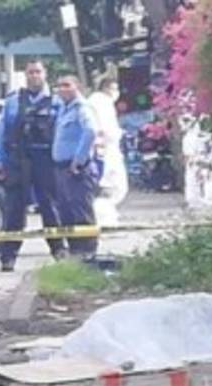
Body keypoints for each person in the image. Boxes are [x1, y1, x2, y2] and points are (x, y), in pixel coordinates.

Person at [0, 59, 66, 272]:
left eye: (38, 72)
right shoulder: (14, 101)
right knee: (14, 208)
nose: (34, 76)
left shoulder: (57, 101)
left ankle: (59, 250)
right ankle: (8, 256)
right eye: (30, 72)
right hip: (18, 159)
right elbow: (1, 131)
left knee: (50, 207)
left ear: (45, 74)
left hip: (46, 160)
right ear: (25, 75)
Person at [51, 74, 99, 259]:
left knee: (81, 211)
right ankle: (75, 251)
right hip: (61, 168)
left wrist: (78, 160)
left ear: (76, 87)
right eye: (59, 85)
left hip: (77, 169)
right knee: (66, 211)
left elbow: (91, 131)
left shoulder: (82, 108)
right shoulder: (64, 109)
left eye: (67, 85)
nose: (62, 89)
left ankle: (88, 252)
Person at [89, 76, 129, 227]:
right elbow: (107, 129)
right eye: (113, 89)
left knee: (111, 186)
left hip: (104, 148)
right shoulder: (102, 102)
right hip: (106, 149)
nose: (115, 93)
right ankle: (103, 218)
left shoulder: (96, 101)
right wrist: (118, 133)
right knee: (112, 186)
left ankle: (105, 215)